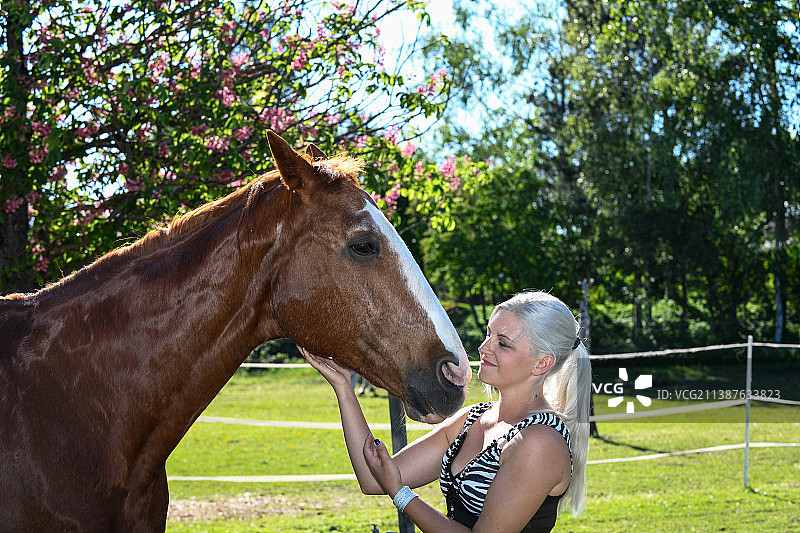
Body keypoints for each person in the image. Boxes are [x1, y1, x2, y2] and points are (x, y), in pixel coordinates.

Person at [300, 290, 591, 533]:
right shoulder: (474, 419)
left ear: (542, 364)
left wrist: (401, 494)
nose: (484, 347)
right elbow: (371, 478)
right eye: (489, 335)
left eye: (503, 343)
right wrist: (343, 388)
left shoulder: (539, 441)